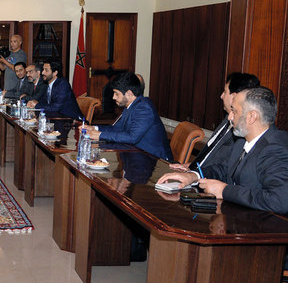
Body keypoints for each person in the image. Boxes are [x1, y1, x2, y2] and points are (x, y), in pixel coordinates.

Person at [158, 87, 288, 214]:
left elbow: (280, 200)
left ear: (251, 117)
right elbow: (223, 169)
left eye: (234, 111)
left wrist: (225, 191)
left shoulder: (275, 148)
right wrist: (193, 176)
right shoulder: (242, 139)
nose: (230, 117)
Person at [171, 72, 260, 172]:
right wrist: (190, 167)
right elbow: (208, 155)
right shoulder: (226, 119)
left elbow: (224, 169)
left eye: (225, 92)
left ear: (234, 97)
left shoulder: (243, 131)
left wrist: (195, 174)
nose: (221, 96)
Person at [86, 71, 173, 161]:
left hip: (156, 160)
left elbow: (132, 137)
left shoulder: (144, 108)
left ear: (129, 93)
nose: (113, 97)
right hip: (137, 155)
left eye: (116, 93)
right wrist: (94, 128)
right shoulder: (132, 105)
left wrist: (100, 135)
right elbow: (116, 128)